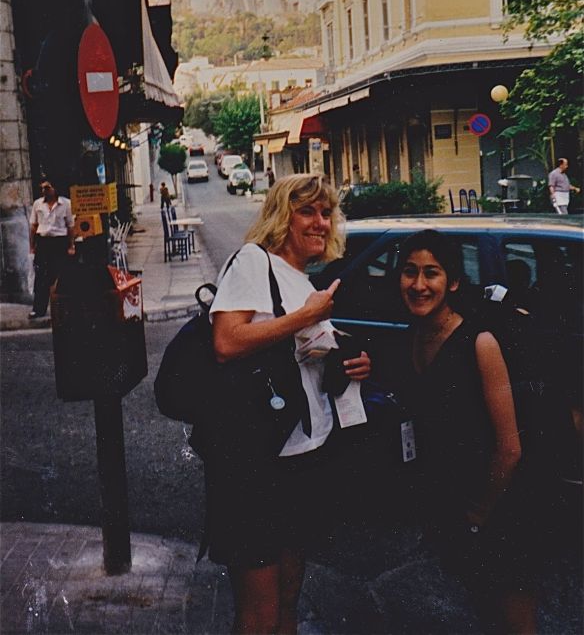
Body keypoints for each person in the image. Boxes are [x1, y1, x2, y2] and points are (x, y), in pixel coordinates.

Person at [208, 173, 371, 634]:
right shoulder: (251, 262)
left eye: (326, 212)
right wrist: (306, 316)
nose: (320, 222)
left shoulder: (300, 279)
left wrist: (352, 363)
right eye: (307, 211)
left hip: (302, 456)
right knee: (259, 610)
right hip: (256, 461)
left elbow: (301, 359)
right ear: (283, 216)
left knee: (289, 593)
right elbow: (226, 341)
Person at [393, 229, 535, 634]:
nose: (418, 285)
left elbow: (510, 448)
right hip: (456, 507)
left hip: (501, 505)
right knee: (483, 607)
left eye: (431, 273)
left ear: (452, 282)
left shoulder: (480, 342)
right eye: (409, 272)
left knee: (515, 616)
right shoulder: (415, 337)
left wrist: (478, 515)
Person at [29, 179, 75, 319]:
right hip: (43, 242)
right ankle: (39, 309)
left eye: (47, 188)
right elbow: (33, 226)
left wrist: (71, 245)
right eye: (42, 188)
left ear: (55, 188)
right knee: (41, 276)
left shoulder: (65, 204)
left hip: (59, 242)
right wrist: (32, 246)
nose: (44, 191)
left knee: (61, 276)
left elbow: (70, 226)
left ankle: (64, 309)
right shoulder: (38, 204)